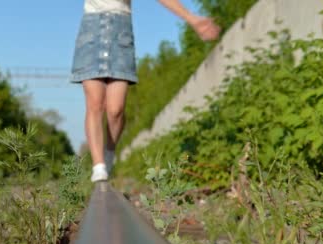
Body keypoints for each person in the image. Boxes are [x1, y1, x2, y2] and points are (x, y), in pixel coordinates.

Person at [71, 0, 220, 182]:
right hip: (91, 31)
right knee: (95, 102)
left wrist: (192, 19)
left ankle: (109, 151)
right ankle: (98, 165)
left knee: (116, 109)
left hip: (120, 33)